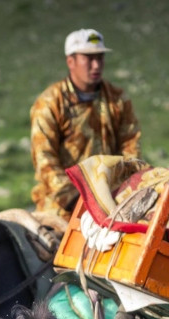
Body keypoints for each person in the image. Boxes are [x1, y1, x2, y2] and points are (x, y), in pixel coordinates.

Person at [29, 28, 142, 222]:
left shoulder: (117, 99)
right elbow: (44, 159)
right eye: (89, 59)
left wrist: (124, 188)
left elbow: (130, 145)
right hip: (61, 210)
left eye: (100, 58)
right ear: (70, 61)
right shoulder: (50, 102)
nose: (96, 65)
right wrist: (76, 198)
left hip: (110, 203)